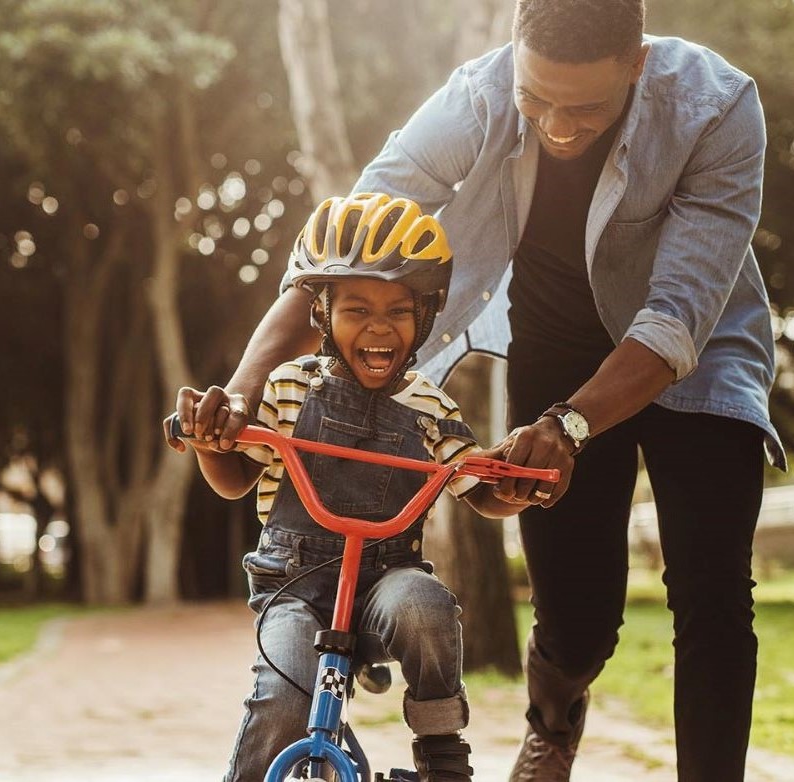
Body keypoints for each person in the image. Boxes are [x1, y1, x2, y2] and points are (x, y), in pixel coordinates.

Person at [165, 1, 783, 780]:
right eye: (537, 100)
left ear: (638, 63)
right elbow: (355, 237)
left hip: (698, 348)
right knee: (580, 614)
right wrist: (245, 391)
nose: (557, 129)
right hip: (559, 343)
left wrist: (570, 426)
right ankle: (554, 728)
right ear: (514, 57)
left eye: (584, 109)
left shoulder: (718, 107)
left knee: (713, 588)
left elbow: (675, 318)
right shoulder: (477, 95)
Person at [166, 193, 531, 782]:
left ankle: (442, 753)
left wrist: (509, 487)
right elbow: (234, 479)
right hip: (296, 585)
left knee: (426, 604)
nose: (379, 328)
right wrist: (212, 442)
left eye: (399, 311)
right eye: (357, 308)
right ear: (322, 315)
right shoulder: (289, 387)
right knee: (283, 696)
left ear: (427, 315)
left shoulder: (429, 406)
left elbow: (474, 483)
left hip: (385, 583)